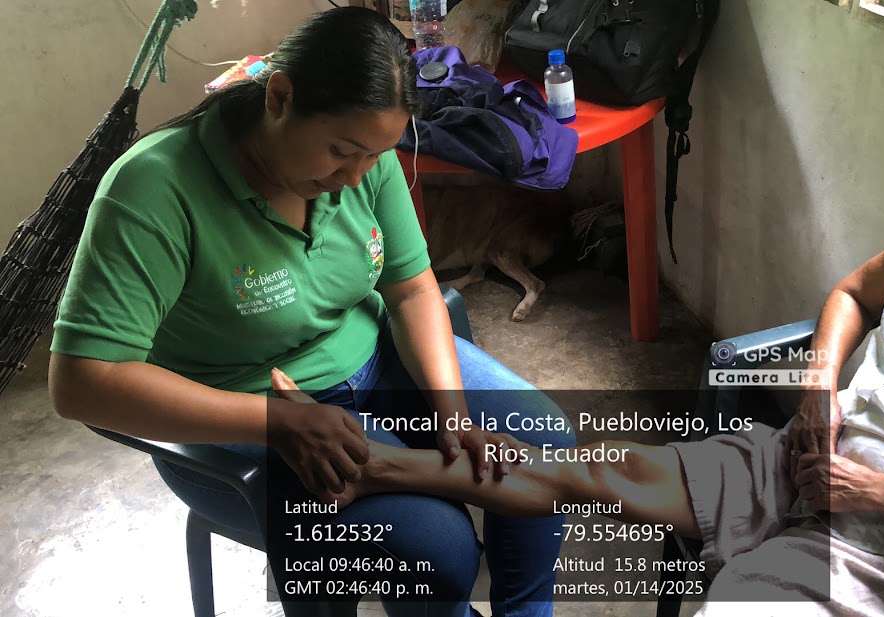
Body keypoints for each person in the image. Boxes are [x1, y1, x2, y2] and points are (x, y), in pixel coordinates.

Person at [273, 57, 884, 616]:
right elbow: (852, 293)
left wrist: (873, 493)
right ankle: (375, 466)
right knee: (591, 468)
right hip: (805, 465)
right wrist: (817, 389)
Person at [47, 7, 574, 617]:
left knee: (545, 446)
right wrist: (277, 423)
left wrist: (451, 413)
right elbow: (83, 382)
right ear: (279, 98)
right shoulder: (153, 189)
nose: (356, 177)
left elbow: (411, 288)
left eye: (375, 156)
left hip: (372, 359)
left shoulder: (365, 161)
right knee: (438, 551)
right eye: (341, 152)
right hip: (240, 409)